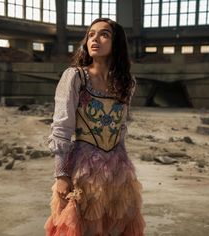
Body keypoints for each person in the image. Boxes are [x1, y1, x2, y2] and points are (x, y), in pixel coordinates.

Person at [44, 18, 145, 236]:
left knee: (115, 229)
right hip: (83, 170)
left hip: (119, 171)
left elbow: (120, 129)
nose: (95, 39)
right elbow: (62, 128)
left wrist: (125, 172)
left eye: (104, 34)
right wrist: (61, 175)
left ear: (116, 43)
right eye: (91, 34)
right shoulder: (75, 77)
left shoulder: (127, 82)